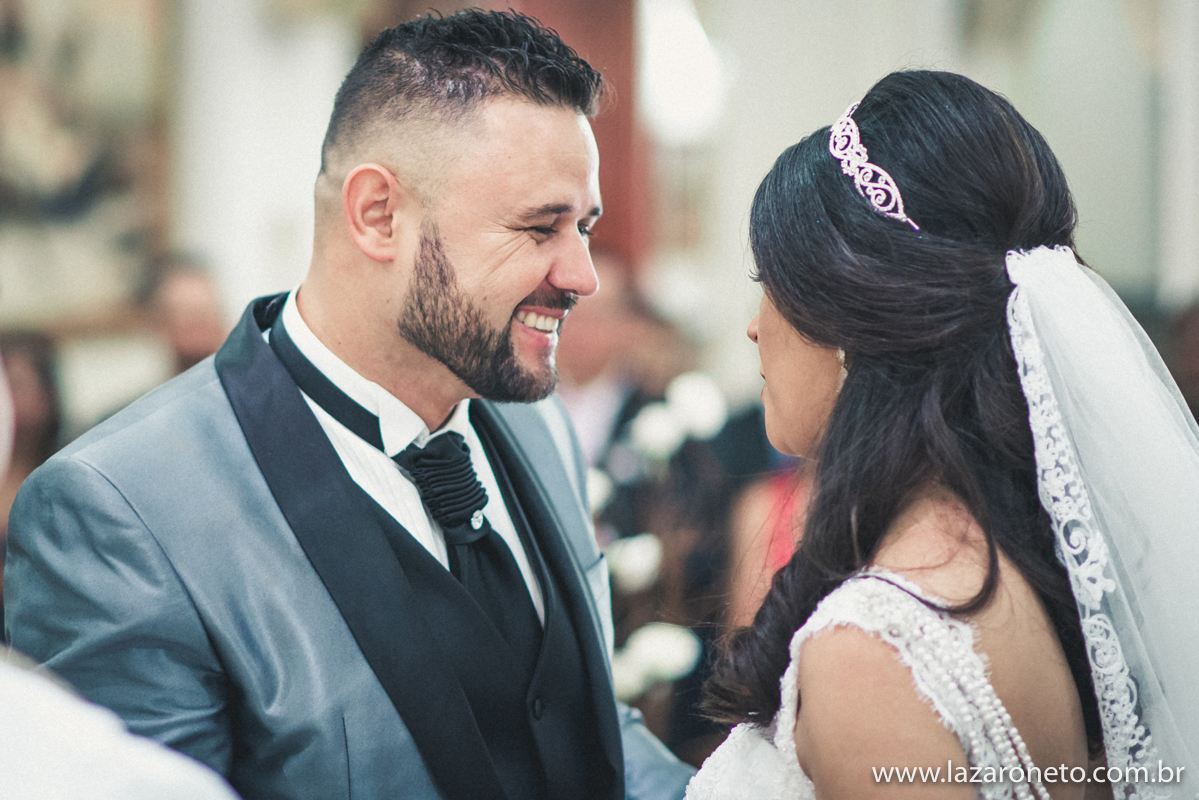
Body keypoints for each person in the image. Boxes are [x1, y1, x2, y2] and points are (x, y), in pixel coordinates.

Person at [6, 10, 693, 800]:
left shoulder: (539, 426)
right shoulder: (122, 509)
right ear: (377, 215)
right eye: (540, 227)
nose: (583, 276)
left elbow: (586, 729)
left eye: (585, 226)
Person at [686, 70, 1198, 799]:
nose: (751, 324)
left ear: (844, 322)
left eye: (766, 278)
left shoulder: (875, 649)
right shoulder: (1027, 560)